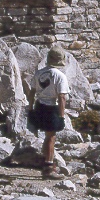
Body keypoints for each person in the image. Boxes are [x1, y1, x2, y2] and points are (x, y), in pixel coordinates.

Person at [30, 46, 71, 177]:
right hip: (51, 107)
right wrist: (61, 114)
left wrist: (30, 108)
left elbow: (32, 92)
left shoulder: (39, 73)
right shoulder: (60, 76)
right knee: (51, 136)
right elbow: (62, 97)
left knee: (47, 136)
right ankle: (48, 166)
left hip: (39, 105)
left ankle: (46, 160)